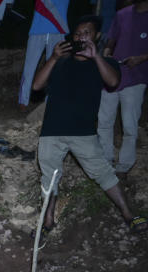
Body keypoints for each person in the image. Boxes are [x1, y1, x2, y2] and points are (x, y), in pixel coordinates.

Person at [32, 15, 147, 236]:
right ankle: (47, 220)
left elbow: (113, 82)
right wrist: (54, 58)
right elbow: (37, 85)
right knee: (49, 176)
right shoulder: (61, 61)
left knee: (103, 173)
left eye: (87, 33)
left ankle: (128, 214)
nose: (81, 37)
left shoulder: (105, 63)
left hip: (83, 132)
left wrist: (96, 58)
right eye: (77, 33)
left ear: (97, 36)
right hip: (52, 132)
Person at [97, 0, 148, 178]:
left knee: (129, 126)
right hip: (113, 75)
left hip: (137, 77)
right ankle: (106, 160)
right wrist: (107, 52)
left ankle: (124, 167)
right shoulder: (122, 14)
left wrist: (141, 58)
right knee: (104, 121)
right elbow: (111, 40)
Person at [17, 0, 70, 112]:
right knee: (29, 67)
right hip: (37, 29)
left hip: (58, 30)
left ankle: (49, 101)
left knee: (54, 69)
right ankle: (23, 100)